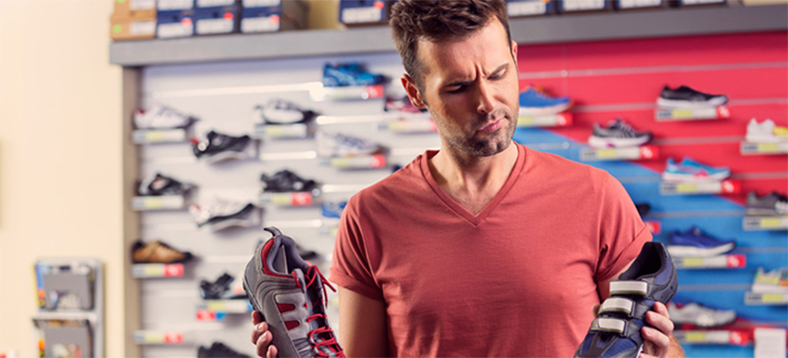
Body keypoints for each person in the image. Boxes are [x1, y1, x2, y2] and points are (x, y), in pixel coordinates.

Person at [251, 0, 684, 357]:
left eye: (498, 74)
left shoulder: (596, 196)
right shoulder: (369, 216)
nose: (487, 102)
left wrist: (661, 353)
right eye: (458, 87)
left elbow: (662, 350)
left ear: (515, 57)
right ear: (415, 92)